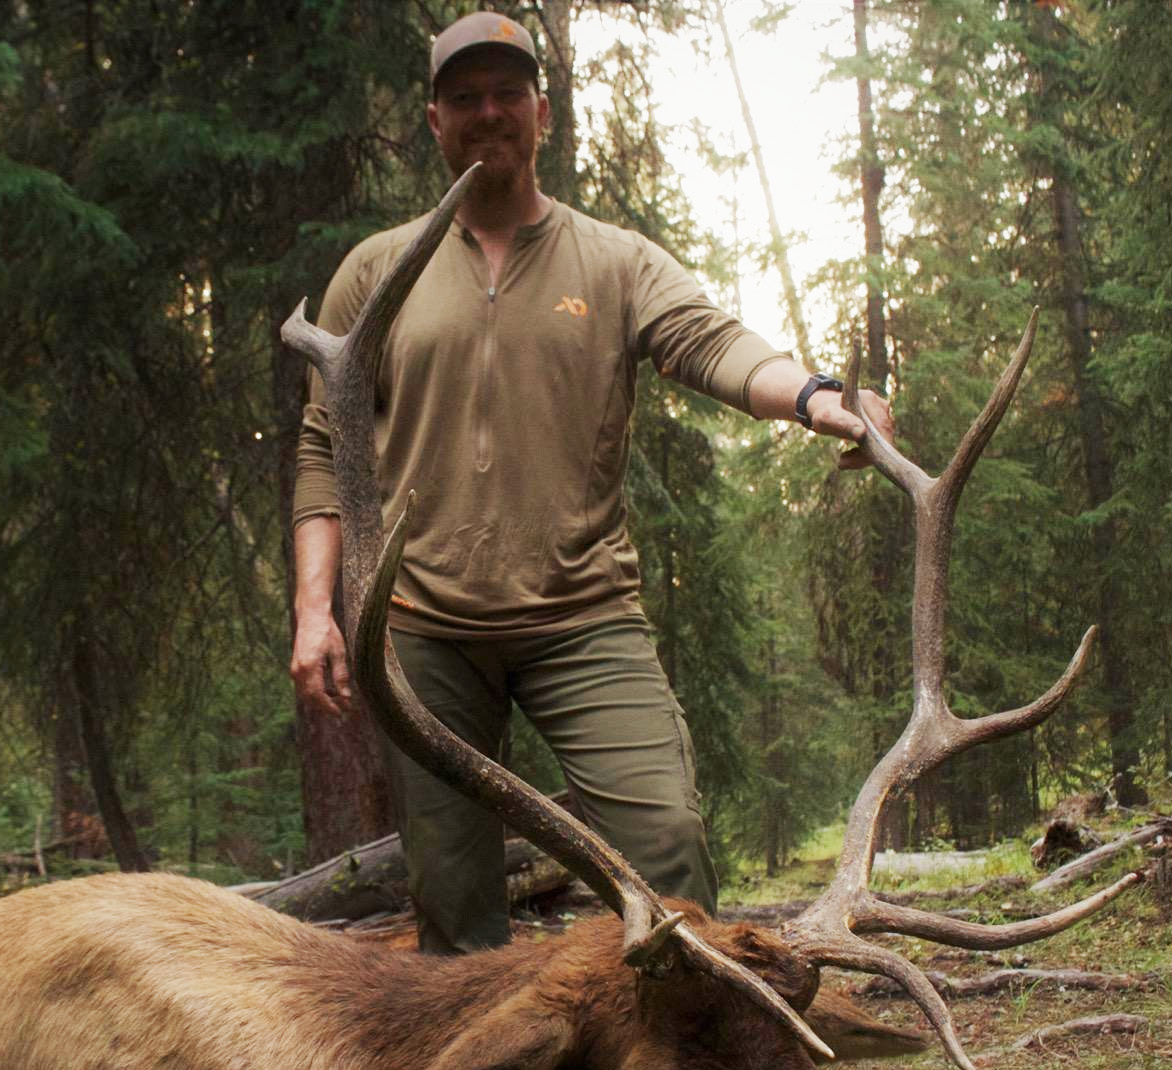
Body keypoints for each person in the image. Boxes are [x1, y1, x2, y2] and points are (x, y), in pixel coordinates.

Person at [290, 10, 895, 954]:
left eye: (506, 94)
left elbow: (710, 342)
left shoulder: (613, 260)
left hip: (582, 617)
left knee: (668, 847)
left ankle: (691, 1032)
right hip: (421, 627)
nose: (487, 112)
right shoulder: (376, 270)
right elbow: (324, 448)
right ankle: (484, 1053)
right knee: (451, 891)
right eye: (464, 98)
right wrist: (314, 613)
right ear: (434, 120)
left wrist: (814, 395)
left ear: (542, 112)